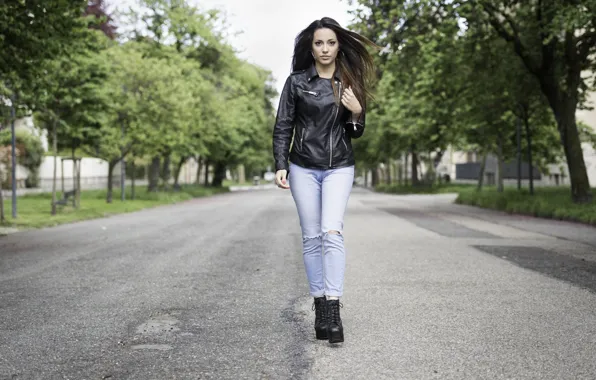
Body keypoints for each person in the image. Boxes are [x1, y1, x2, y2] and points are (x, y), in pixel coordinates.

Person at [272, 17, 377, 344]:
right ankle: (319, 306)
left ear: (338, 45)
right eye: (319, 43)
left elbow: (354, 133)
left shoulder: (348, 84)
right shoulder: (297, 82)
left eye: (331, 42)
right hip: (303, 167)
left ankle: (332, 307)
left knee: (331, 232)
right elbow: (283, 125)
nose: (325, 49)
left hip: (338, 167)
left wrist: (357, 113)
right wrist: (280, 164)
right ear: (311, 47)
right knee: (311, 238)